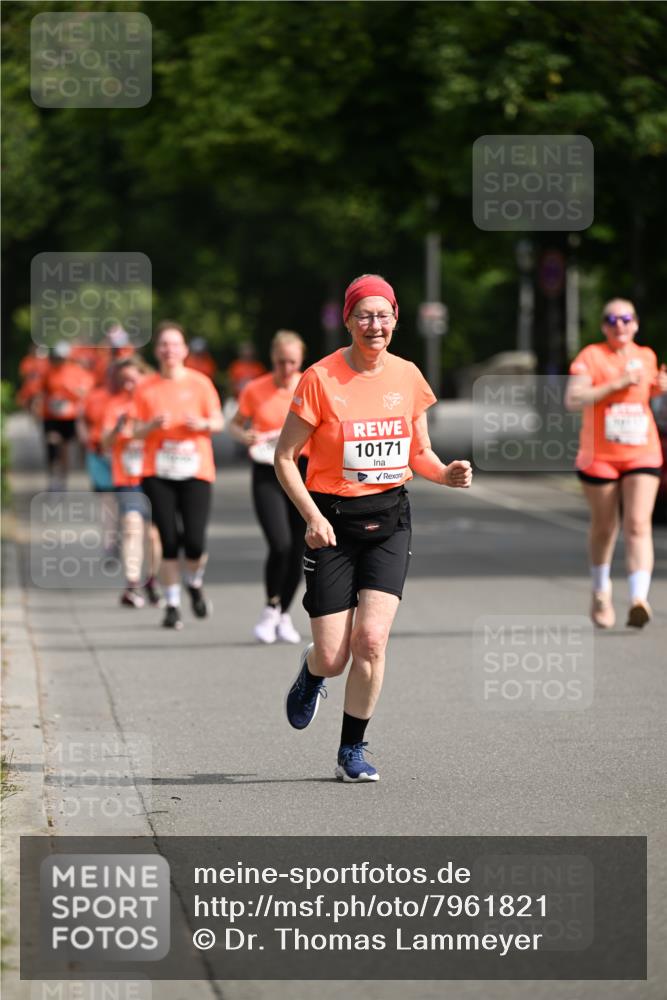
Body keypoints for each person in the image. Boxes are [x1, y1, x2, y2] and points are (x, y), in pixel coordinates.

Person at [274, 274, 472, 782]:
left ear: (396, 320)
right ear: (348, 320)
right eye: (364, 314)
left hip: (389, 521)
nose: (374, 324)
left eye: (383, 315)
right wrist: (312, 518)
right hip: (332, 526)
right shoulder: (320, 378)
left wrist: (445, 473)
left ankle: (351, 750)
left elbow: (418, 453)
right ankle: (313, 669)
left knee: (372, 643)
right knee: (336, 656)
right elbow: (284, 457)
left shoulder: (408, 376)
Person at [565, 298, 667, 629]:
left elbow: (650, 394)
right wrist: (618, 383)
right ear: (603, 326)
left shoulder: (647, 356)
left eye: (626, 318)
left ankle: (639, 598)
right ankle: (600, 591)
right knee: (605, 527)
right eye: (612, 319)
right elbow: (573, 399)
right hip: (600, 457)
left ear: (636, 324)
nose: (619, 324)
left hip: (642, 450)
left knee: (638, 524)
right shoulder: (591, 356)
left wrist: (659, 388)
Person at [132, 321, 224, 630]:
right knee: (169, 540)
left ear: (184, 350)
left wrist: (202, 424)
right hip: (157, 472)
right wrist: (151, 427)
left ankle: (194, 582)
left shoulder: (200, 383)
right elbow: (133, 430)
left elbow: (219, 422)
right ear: (157, 351)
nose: (169, 350)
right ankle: (171, 604)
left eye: (175, 344)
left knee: (194, 542)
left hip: (196, 470)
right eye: (164, 345)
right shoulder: (146, 387)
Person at [230, 331, 309, 644]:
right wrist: (243, 435)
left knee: (301, 547)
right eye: (280, 361)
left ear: (300, 360)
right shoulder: (255, 388)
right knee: (280, 544)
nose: (286, 368)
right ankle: (270, 607)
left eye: (292, 361)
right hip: (267, 470)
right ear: (272, 358)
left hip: (305, 470)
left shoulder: (311, 385)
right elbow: (235, 424)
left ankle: (283, 614)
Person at [101, 357, 164, 609]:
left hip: (156, 474)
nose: (128, 385)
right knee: (131, 526)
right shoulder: (114, 406)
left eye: (132, 379)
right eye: (123, 380)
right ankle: (132, 583)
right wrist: (117, 430)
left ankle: (151, 579)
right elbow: (104, 444)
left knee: (153, 535)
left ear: (144, 377)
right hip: (127, 476)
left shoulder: (156, 401)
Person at [35, 342, 94, 490]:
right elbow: (42, 391)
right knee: (52, 442)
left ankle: (63, 477)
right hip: (50, 415)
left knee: (65, 447)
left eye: (60, 358)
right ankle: (53, 475)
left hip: (69, 415)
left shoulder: (76, 371)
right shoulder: (48, 372)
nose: (57, 361)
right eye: (55, 358)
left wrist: (72, 391)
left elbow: (85, 392)